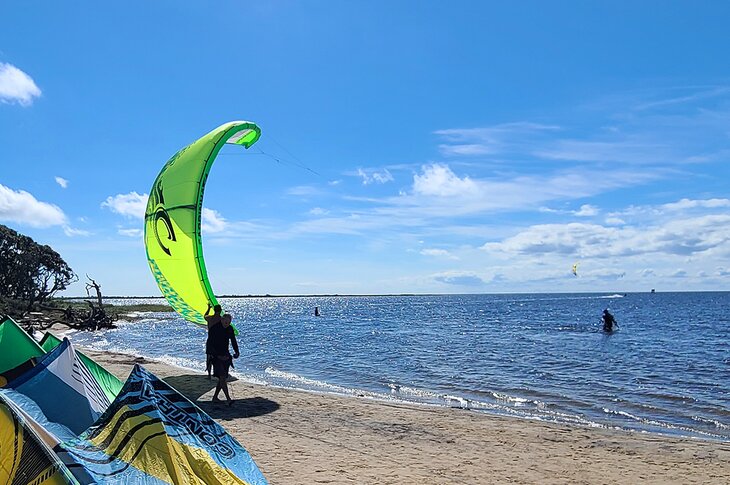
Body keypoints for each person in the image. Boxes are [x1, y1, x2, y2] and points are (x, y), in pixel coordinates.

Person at [209, 313, 239, 405]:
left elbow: (233, 340)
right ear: (221, 320)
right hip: (215, 356)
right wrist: (217, 356)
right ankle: (228, 399)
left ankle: (215, 397)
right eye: (225, 322)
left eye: (228, 322)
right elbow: (210, 344)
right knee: (222, 376)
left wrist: (237, 351)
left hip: (226, 355)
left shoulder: (229, 328)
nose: (226, 324)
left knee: (223, 378)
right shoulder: (214, 329)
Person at [204, 303, 223, 379]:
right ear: (221, 310)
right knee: (218, 358)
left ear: (214, 310)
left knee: (209, 358)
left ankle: (209, 375)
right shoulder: (222, 319)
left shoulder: (210, 318)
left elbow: (205, 316)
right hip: (219, 341)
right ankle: (218, 374)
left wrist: (208, 308)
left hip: (210, 340)